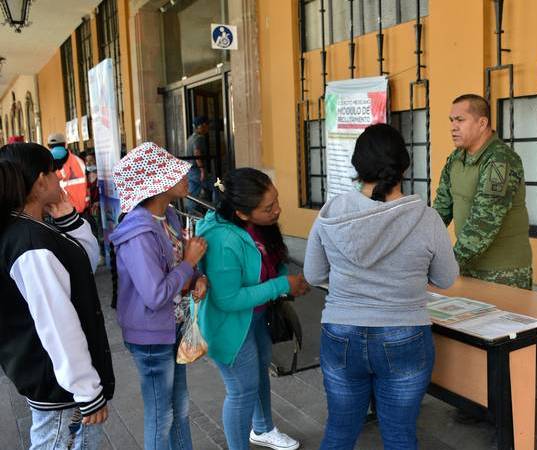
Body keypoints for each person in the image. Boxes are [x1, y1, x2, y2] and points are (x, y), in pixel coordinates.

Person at [303, 124, 459, 450]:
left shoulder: (331, 213)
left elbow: (314, 274)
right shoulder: (427, 218)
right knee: (400, 435)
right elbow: (445, 278)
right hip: (405, 334)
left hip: (341, 332)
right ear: (404, 166)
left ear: (357, 167)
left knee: (339, 431)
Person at [0, 143, 114, 449]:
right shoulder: (30, 242)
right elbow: (58, 322)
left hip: (58, 382)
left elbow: (83, 266)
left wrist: (68, 220)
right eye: (54, 172)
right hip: (61, 389)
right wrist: (86, 390)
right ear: (40, 181)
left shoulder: (30, 228)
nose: (61, 177)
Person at [196, 168, 307, 450]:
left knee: (257, 377)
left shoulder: (256, 224)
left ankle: (263, 428)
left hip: (256, 317)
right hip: (231, 327)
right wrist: (282, 285)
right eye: (268, 208)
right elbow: (228, 300)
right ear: (242, 213)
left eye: (276, 200)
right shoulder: (223, 241)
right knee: (241, 391)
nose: (277, 210)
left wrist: (285, 278)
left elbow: (270, 260)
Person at [110, 142, 209, 450]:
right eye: (175, 172)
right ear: (156, 184)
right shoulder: (139, 231)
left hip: (171, 327)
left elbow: (178, 265)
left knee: (180, 408)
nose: (185, 176)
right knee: (160, 415)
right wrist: (190, 263)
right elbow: (155, 295)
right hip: (151, 337)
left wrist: (197, 276)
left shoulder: (168, 216)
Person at [433, 94, 533, 289]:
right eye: (451, 120)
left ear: (482, 123)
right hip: (467, 266)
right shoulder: (455, 159)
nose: (453, 127)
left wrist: (448, 264)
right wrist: (421, 247)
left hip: (503, 272)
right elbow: (441, 209)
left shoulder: (500, 160)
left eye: (460, 120)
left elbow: (485, 221)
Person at [48, 132, 89, 215]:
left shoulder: (47, 165)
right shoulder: (79, 161)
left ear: (49, 146)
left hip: (62, 213)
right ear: (65, 145)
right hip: (82, 211)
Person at [184, 116, 211, 212]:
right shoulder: (199, 138)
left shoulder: (190, 138)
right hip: (197, 171)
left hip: (190, 170)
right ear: (201, 126)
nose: (208, 127)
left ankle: (190, 215)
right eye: (206, 125)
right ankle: (217, 211)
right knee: (217, 186)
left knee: (193, 194)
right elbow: (197, 153)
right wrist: (202, 169)